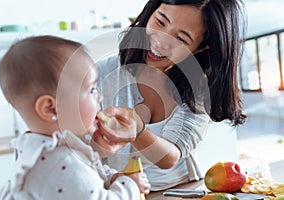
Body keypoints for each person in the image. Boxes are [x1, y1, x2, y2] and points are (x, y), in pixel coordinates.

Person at [93, 0, 247, 191]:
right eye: (160, 22)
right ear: (150, 13)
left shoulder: (198, 87)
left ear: (200, 48)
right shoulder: (100, 74)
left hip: (182, 190)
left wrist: (137, 130)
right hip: (122, 191)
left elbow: (170, 157)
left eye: (181, 39)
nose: (161, 41)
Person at [0, 35, 150, 199]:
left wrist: (113, 178)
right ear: (50, 109)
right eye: (91, 90)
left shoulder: (47, 150)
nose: (99, 97)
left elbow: (86, 174)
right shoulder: (58, 163)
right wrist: (130, 185)